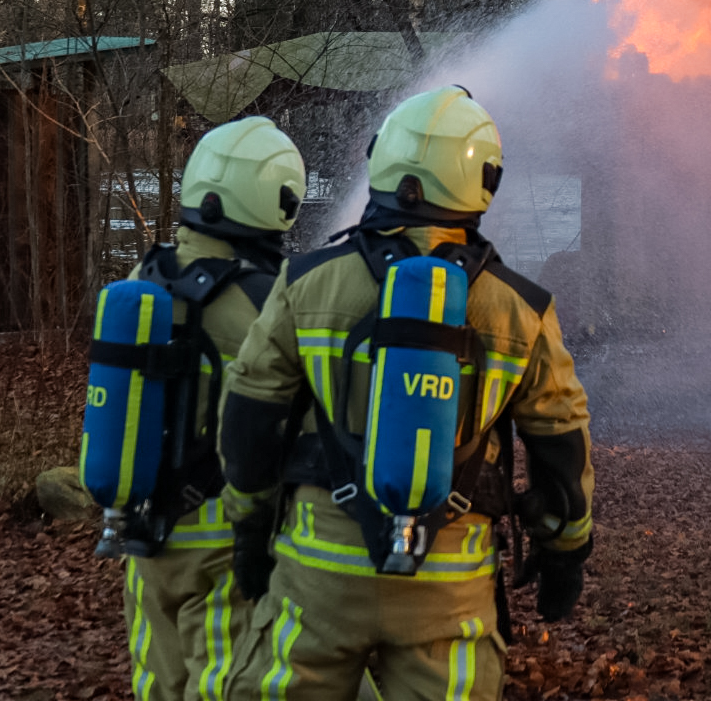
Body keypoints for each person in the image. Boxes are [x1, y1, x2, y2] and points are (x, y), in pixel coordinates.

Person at [218, 86, 594, 701]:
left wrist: (248, 531)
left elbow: (250, 417)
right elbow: (561, 445)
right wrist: (565, 552)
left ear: (383, 163)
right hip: (449, 590)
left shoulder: (304, 281)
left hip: (319, 574)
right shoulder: (521, 308)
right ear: (481, 182)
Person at [120, 116, 307, 701]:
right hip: (223, 539)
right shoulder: (264, 300)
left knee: (156, 680)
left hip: (144, 533)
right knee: (225, 686)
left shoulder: (143, 278)